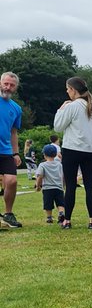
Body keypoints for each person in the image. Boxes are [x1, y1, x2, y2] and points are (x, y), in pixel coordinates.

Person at [54, 75, 92, 230]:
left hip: (71, 150)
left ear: (73, 90)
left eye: (68, 89)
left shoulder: (72, 106)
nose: (67, 92)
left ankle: (67, 220)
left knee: (70, 186)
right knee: (90, 186)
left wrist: (60, 109)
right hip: (90, 151)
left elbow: (58, 127)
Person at [0, 71, 23, 229]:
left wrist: (15, 153)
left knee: (12, 181)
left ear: (15, 88)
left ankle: (8, 214)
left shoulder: (16, 108)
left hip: (6, 150)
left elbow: (14, 133)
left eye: (11, 85)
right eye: (5, 83)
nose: (8, 87)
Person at [35, 143, 65, 224]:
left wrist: (38, 186)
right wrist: (63, 185)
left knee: (48, 204)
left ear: (44, 155)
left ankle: (49, 217)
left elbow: (40, 176)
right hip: (58, 187)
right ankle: (61, 213)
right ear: (55, 154)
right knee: (60, 203)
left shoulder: (43, 165)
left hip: (47, 188)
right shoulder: (59, 164)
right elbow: (63, 176)